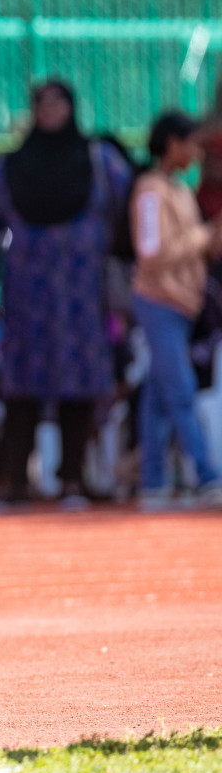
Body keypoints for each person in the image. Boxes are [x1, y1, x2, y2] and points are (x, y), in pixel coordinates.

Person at [0, 81, 131, 504]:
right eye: (41, 104)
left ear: (72, 108)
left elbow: (131, 206)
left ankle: (73, 478)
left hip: (82, 293)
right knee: (21, 386)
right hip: (28, 297)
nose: (50, 111)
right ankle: (14, 480)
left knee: (79, 383)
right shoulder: (11, 168)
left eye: (58, 102)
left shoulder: (99, 161)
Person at [129, 111, 222, 508]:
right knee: (180, 390)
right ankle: (206, 475)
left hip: (184, 304)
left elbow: (202, 250)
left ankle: (153, 482)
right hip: (158, 301)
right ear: (172, 144)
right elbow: (151, 255)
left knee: (158, 394)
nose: (196, 152)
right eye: (191, 143)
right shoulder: (150, 190)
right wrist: (202, 236)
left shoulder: (182, 191)